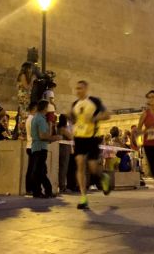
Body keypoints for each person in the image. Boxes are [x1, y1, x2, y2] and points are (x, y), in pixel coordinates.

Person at [70, 80, 111, 210]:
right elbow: (73, 119)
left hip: (92, 138)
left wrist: (95, 118)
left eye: (81, 88)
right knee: (80, 163)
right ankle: (83, 197)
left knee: (93, 167)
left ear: (86, 89)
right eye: (77, 88)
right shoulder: (75, 104)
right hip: (79, 138)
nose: (78, 91)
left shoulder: (94, 101)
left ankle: (103, 176)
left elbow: (107, 115)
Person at [30, 100, 61, 198]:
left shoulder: (36, 118)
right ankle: (43, 191)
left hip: (36, 147)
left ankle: (41, 191)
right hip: (40, 148)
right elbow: (43, 135)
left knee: (40, 171)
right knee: (40, 171)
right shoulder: (40, 119)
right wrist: (55, 138)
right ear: (44, 108)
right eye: (48, 107)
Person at [15, 63, 35, 139]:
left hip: (25, 98)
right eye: (30, 68)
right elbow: (27, 87)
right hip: (24, 98)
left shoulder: (24, 76)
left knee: (25, 114)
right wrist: (32, 80)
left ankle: (24, 133)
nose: (31, 70)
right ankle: (22, 133)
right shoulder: (23, 75)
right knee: (24, 115)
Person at [57, 113, 73, 194]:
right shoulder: (63, 128)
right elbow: (71, 137)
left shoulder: (58, 127)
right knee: (63, 168)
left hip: (60, 148)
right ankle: (62, 186)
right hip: (64, 149)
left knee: (60, 167)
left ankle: (60, 185)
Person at [25, 102, 38, 196]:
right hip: (33, 145)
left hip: (29, 145)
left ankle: (29, 188)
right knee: (33, 169)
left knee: (31, 168)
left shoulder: (29, 119)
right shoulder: (32, 119)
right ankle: (30, 189)